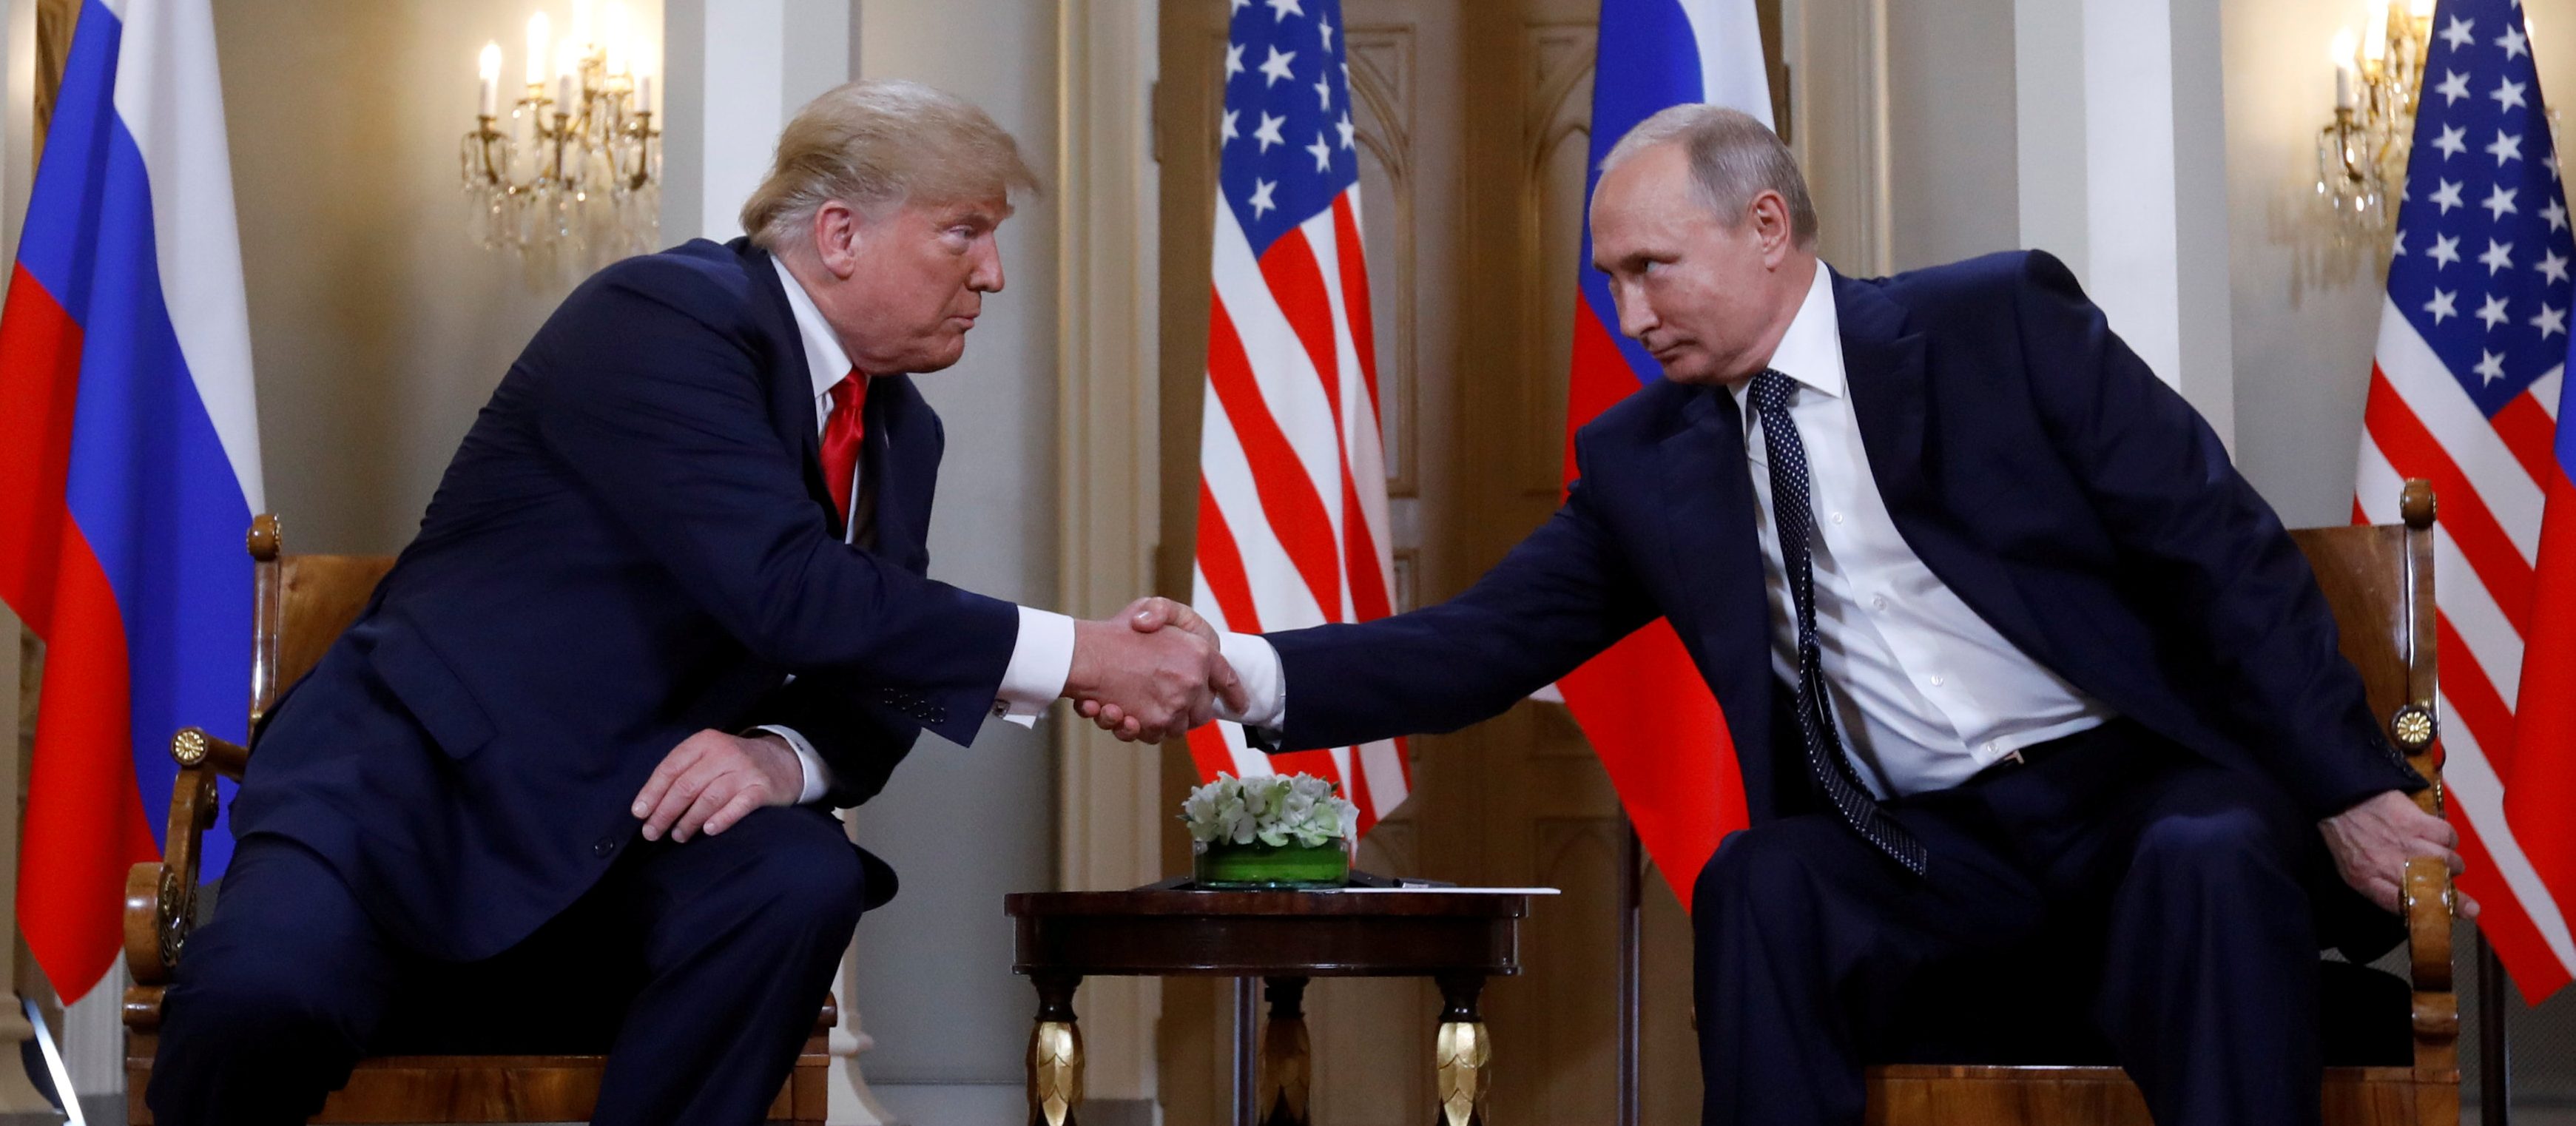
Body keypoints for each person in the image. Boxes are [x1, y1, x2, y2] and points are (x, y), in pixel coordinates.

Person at [1090, 105, 2469, 1126]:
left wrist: (2346, 781)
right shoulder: (1648, 458)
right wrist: (1237, 670)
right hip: (1927, 855)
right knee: (1761, 882)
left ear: (1764, 228)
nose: (1626, 313)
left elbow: (2216, 551)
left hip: (2135, 795)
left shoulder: (1996, 325)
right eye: (1610, 279)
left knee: (2210, 856)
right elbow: (1481, 643)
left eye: (1650, 269)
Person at [149, 79, 1235, 1126]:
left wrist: (780, 757)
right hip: (410, 804)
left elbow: (877, 670)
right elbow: (788, 589)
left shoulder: (902, 432)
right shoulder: (665, 317)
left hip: (625, 838)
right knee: (261, 1003)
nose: (992, 274)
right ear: (843, 235)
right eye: (964, 232)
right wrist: (1079, 651)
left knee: (798, 877)